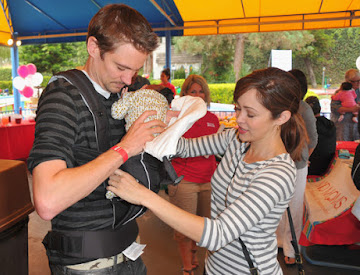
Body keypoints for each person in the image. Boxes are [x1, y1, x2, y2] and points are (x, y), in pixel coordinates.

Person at [107, 67, 308, 275]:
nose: (239, 119)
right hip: (213, 268)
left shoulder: (277, 173)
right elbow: (183, 148)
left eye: (251, 114)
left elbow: (218, 233)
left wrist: (143, 195)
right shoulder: (236, 140)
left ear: (282, 117)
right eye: (238, 109)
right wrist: (160, 120)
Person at [27, 4, 166, 275]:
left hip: (129, 251)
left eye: (134, 70)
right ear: (93, 47)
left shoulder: (121, 91)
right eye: (120, 67)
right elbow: (47, 201)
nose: (128, 79)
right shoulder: (63, 98)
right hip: (89, 265)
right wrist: (125, 147)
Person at [168, 74, 219, 274]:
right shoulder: (178, 119)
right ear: (186, 95)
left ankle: (195, 255)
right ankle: (187, 266)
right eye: (193, 91)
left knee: (205, 227)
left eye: (201, 91)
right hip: (184, 181)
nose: (198, 95)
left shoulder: (213, 120)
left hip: (209, 180)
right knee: (184, 228)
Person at [276, 69, 317, 265]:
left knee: (294, 208)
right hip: (275, 164)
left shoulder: (304, 109)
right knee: (275, 206)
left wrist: (304, 157)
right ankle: (278, 242)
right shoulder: (277, 105)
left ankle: (292, 251)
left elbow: (313, 139)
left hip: (297, 166)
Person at [305, 96, 336, 176]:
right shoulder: (331, 124)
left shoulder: (307, 126)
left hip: (311, 168)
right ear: (320, 108)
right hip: (328, 167)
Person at [330, 69, 360, 141]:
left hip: (356, 127)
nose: (358, 83)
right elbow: (335, 108)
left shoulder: (358, 92)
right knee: (343, 149)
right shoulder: (339, 92)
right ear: (348, 81)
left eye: (359, 80)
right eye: (355, 81)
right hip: (342, 127)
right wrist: (352, 109)